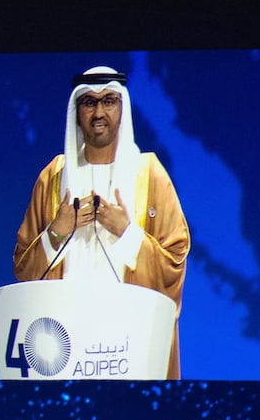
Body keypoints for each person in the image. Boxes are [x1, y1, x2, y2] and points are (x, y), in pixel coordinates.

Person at [12, 66, 190, 378]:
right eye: (89, 103)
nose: (98, 113)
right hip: (63, 346)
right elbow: (23, 271)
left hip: (128, 345)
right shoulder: (53, 177)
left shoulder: (149, 174)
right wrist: (56, 233)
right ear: (76, 111)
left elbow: (174, 264)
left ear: (122, 108)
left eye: (108, 101)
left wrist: (127, 233)